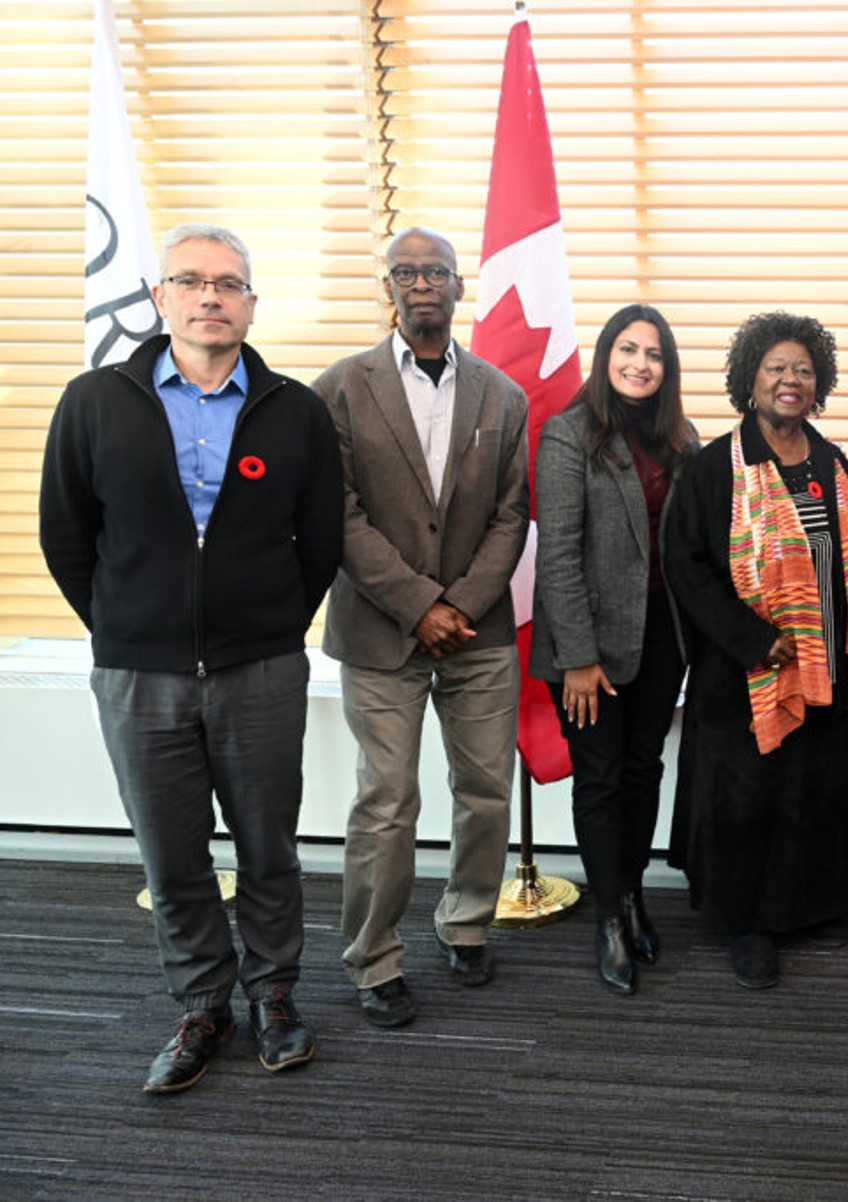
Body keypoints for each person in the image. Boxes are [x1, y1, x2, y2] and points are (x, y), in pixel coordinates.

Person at [39, 223, 342, 1092]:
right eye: (193, 281)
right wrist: (122, 623)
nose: (212, 297)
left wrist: (274, 621)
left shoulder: (295, 410)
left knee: (267, 848)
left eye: (230, 284)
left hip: (260, 669)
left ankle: (274, 995)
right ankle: (202, 1002)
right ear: (161, 297)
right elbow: (66, 534)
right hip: (140, 674)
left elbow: (319, 538)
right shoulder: (95, 401)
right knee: (171, 855)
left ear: (250, 304)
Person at [315, 228, 530, 1028]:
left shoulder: (502, 396)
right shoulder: (338, 387)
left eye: (435, 271)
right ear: (390, 288)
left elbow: (513, 518)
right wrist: (417, 605)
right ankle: (374, 959)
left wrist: (460, 608)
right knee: (386, 802)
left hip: (480, 633)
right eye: (406, 272)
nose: (422, 283)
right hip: (379, 631)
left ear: (458, 285)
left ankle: (467, 919)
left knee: (484, 792)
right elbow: (335, 516)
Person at [662, 311, 848, 989]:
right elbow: (685, 564)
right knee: (747, 796)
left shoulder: (830, 462)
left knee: (814, 789)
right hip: (743, 669)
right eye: (775, 369)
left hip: (821, 660)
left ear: (819, 385)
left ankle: (807, 907)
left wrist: (846, 647)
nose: (790, 381)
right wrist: (756, 640)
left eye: (803, 371)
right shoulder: (713, 468)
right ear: (747, 379)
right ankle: (748, 924)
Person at [530, 305, 697, 995]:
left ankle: (630, 896)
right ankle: (606, 919)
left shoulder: (680, 436)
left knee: (641, 771)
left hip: (663, 636)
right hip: (589, 644)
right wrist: (577, 656)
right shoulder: (569, 435)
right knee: (599, 779)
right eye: (627, 349)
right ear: (605, 357)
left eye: (653, 354)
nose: (640, 363)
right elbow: (558, 554)